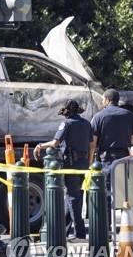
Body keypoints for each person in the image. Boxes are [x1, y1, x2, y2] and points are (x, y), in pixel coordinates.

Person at [34, 99, 93, 242]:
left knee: (73, 198)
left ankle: (79, 234)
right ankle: (63, 231)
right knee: (75, 196)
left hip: (70, 164)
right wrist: (89, 163)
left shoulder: (66, 124)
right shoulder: (86, 124)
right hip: (84, 164)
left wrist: (40, 145)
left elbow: (55, 143)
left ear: (66, 111)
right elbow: (92, 146)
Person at [89, 88, 133, 227]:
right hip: (124, 158)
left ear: (107, 100)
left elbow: (93, 142)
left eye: (103, 99)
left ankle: (107, 229)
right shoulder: (129, 115)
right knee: (124, 194)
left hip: (106, 159)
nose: (102, 101)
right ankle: (126, 228)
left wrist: (90, 161)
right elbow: (132, 140)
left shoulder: (99, 116)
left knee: (106, 194)